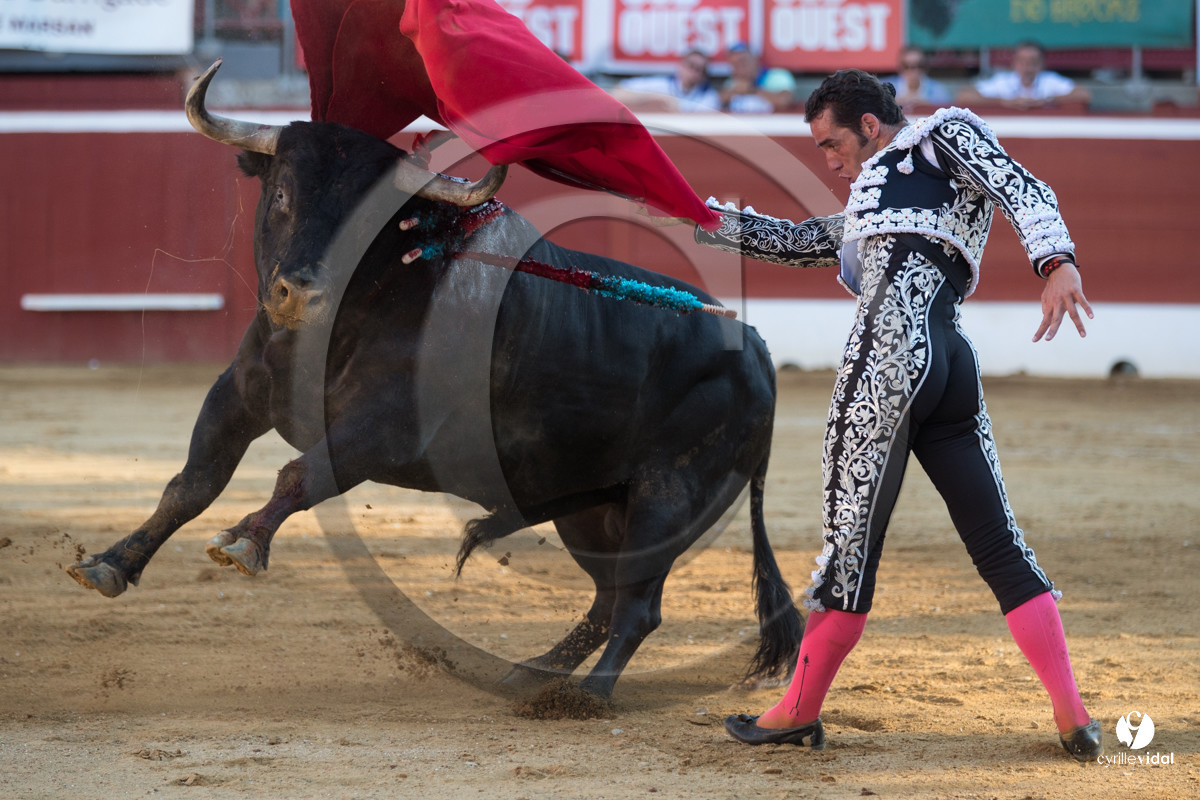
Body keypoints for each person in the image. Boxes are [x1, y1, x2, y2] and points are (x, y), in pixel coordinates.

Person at [694, 69, 1101, 761]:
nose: (829, 160)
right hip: (949, 363)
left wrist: (1056, 261)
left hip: (886, 355)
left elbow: (1024, 188)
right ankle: (1073, 717)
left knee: (849, 551)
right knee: (999, 543)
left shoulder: (944, 133)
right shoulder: (880, 190)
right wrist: (697, 217)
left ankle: (797, 709)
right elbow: (796, 243)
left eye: (831, 144)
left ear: (870, 126)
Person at [956, 40, 1091, 110]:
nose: (1027, 67)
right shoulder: (1003, 81)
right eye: (1022, 61)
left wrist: (1045, 101)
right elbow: (964, 96)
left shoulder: (1049, 80)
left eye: (1033, 62)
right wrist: (1004, 102)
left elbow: (1084, 94)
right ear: (1014, 63)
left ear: (1041, 64)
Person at [610, 50, 722, 112]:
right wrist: (656, 98)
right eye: (691, 66)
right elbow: (617, 92)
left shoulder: (709, 96)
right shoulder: (661, 84)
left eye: (700, 69)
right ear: (681, 66)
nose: (694, 72)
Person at [718, 42, 796, 113]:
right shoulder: (731, 82)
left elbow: (784, 101)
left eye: (743, 61)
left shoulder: (777, 76)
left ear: (755, 59)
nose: (739, 67)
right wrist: (735, 91)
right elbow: (719, 100)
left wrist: (751, 89)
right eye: (734, 64)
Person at [882, 45, 952, 112]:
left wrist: (927, 106)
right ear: (900, 67)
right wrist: (893, 103)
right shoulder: (885, 87)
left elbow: (946, 114)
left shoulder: (939, 91)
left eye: (919, 65)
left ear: (926, 67)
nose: (914, 71)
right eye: (906, 66)